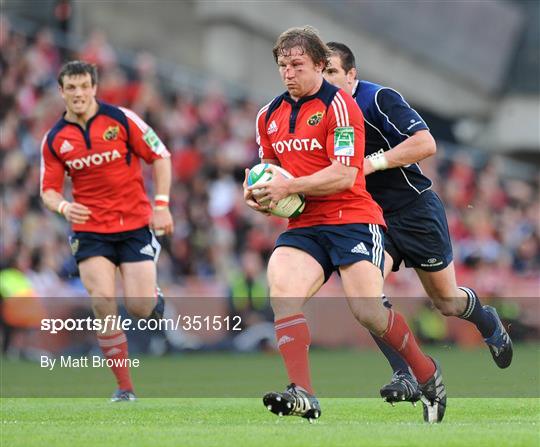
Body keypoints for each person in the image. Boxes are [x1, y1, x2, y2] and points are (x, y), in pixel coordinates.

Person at [243, 26, 446, 423]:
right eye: (282, 65)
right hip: (304, 224)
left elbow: (342, 174)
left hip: (352, 217)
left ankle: (427, 374)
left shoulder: (341, 107)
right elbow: (271, 173)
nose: (288, 73)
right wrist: (259, 195)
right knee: (282, 292)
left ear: (319, 64)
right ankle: (303, 392)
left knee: (368, 311)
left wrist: (289, 184)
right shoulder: (268, 116)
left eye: (297, 64)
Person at [323, 42, 513, 404]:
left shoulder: (377, 99)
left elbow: (426, 144)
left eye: (333, 72)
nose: (327, 81)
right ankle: (404, 373)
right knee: (366, 296)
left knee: (447, 302)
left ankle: (487, 321)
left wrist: (373, 163)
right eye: (322, 73)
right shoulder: (318, 114)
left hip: (415, 210)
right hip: (370, 218)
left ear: (351, 75)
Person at [40, 61, 173, 401]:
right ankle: (124, 388)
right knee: (102, 302)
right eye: (71, 88)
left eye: (84, 86)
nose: (78, 93)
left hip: (134, 224)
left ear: (94, 87)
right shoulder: (55, 139)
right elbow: (48, 191)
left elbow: (160, 155)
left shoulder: (122, 120)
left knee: (141, 308)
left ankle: (152, 296)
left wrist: (161, 205)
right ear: (62, 92)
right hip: (89, 230)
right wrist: (64, 207)